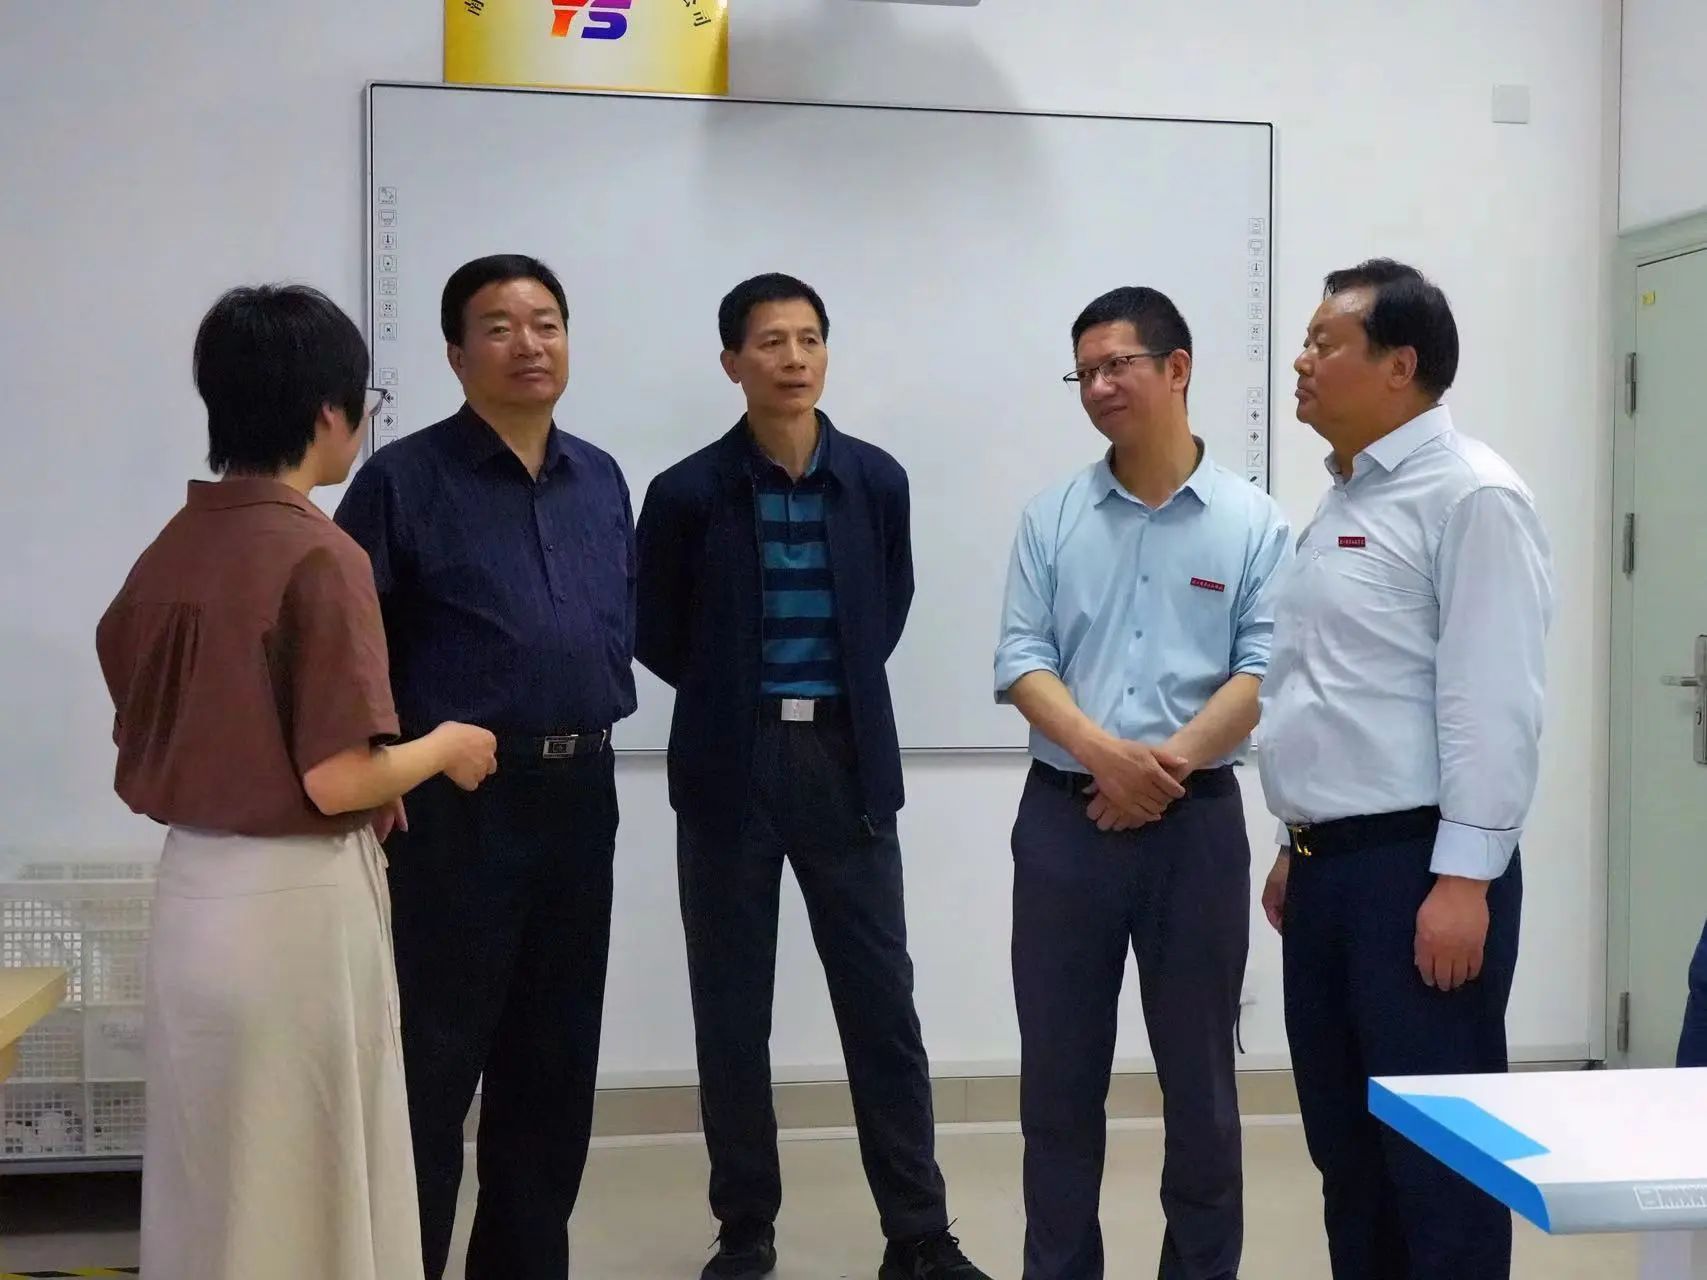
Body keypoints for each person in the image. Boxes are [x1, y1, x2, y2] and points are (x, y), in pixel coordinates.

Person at [95, 284, 498, 1280]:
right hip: (293, 910)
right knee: (305, 1184)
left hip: (191, 895)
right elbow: (337, 778)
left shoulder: (168, 550)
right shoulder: (320, 552)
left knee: (212, 1180)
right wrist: (444, 745)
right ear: (329, 411)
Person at [634, 273, 990, 1280]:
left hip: (846, 759)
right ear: (731, 362)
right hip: (729, 763)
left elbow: (888, 604)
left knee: (883, 1007)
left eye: (808, 339)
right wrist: (732, 691)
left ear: (826, 352)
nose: (792, 358)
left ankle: (917, 1232)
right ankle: (745, 1228)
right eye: (770, 341)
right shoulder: (687, 492)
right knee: (731, 1012)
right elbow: (654, 626)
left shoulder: (874, 480)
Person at [334, 254, 636, 1280]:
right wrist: (383, 769)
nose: (528, 343)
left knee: (553, 1066)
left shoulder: (602, 477)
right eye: (499, 326)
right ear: (456, 354)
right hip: (455, 804)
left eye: (546, 322)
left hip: (581, 795)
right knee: (432, 1061)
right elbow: (349, 646)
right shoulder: (402, 480)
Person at [1258, 259, 1554, 1279]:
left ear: (1400, 365)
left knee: (1440, 1167)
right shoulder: (1347, 495)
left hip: (1419, 874)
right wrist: (1297, 838)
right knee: (1348, 1157)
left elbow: (1493, 702)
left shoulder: (1471, 495)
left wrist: (1465, 879)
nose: (1300, 362)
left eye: (1324, 342)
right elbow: (1329, 688)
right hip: (1331, 871)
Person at [993, 286, 1291, 1280]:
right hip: (1063, 824)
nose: (1097, 386)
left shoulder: (1252, 521)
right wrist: (1106, 757)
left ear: (1178, 368)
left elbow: (1263, 669)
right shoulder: (1053, 516)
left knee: (1201, 1087)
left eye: (1116, 364)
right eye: (1083, 372)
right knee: (1057, 1088)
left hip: (1193, 828)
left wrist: (1161, 772)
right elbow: (1022, 659)